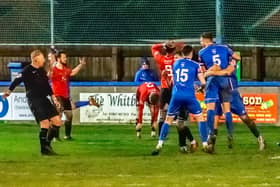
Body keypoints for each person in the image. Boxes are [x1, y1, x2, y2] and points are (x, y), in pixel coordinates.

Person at [3, 50, 62, 155]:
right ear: (36, 59)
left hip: (44, 99)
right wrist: (9, 91)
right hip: (34, 99)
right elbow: (16, 81)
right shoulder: (27, 70)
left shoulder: (41, 71)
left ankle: (46, 145)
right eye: (42, 57)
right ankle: (44, 149)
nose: (44, 59)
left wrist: (54, 98)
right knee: (45, 123)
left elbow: (47, 86)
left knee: (57, 121)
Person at [152, 45, 207, 155]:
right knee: (200, 118)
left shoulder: (175, 64)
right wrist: (200, 88)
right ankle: (205, 144)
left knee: (168, 120)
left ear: (182, 54)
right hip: (189, 96)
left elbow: (172, 81)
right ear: (191, 53)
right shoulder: (196, 65)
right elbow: (203, 82)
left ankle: (159, 144)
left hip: (176, 95)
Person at [205, 61, 265, 150]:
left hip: (232, 94)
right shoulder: (215, 61)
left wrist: (210, 72)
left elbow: (226, 71)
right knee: (215, 119)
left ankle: (259, 137)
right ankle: (211, 146)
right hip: (218, 93)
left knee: (245, 118)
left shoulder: (230, 62)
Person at [199, 32, 240, 153]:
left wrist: (207, 75)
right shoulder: (224, 47)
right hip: (225, 80)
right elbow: (237, 57)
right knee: (227, 109)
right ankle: (230, 134)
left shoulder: (202, 52)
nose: (201, 43)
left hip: (213, 81)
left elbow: (203, 71)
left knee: (210, 108)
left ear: (206, 40)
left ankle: (210, 134)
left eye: (201, 41)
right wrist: (230, 66)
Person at [49, 51, 86, 140]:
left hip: (65, 96)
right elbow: (48, 75)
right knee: (59, 115)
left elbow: (72, 72)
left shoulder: (65, 69)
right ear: (59, 59)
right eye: (64, 57)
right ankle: (55, 136)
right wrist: (50, 63)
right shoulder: (54, 70)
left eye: (66, 57)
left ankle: (67, 135)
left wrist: (80, 65)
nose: (66, 59)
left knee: (69, 115)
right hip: (57, 95)